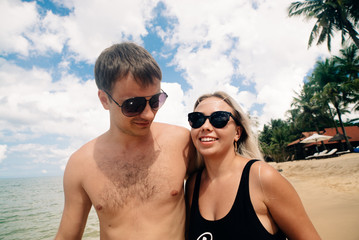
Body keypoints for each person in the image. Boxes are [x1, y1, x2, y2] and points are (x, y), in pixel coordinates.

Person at [55, 42, 193, 240]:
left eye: (155, 101)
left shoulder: (182, 142)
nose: (148, 114)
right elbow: (67, 236)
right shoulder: (80, 164)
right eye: (132, 104)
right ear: (104, 100)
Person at [185, 91, 321, 240]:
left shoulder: (263, 178)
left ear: (237, 132)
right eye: (197, 119)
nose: (205, 126)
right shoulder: (193, 185)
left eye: (219, 118)